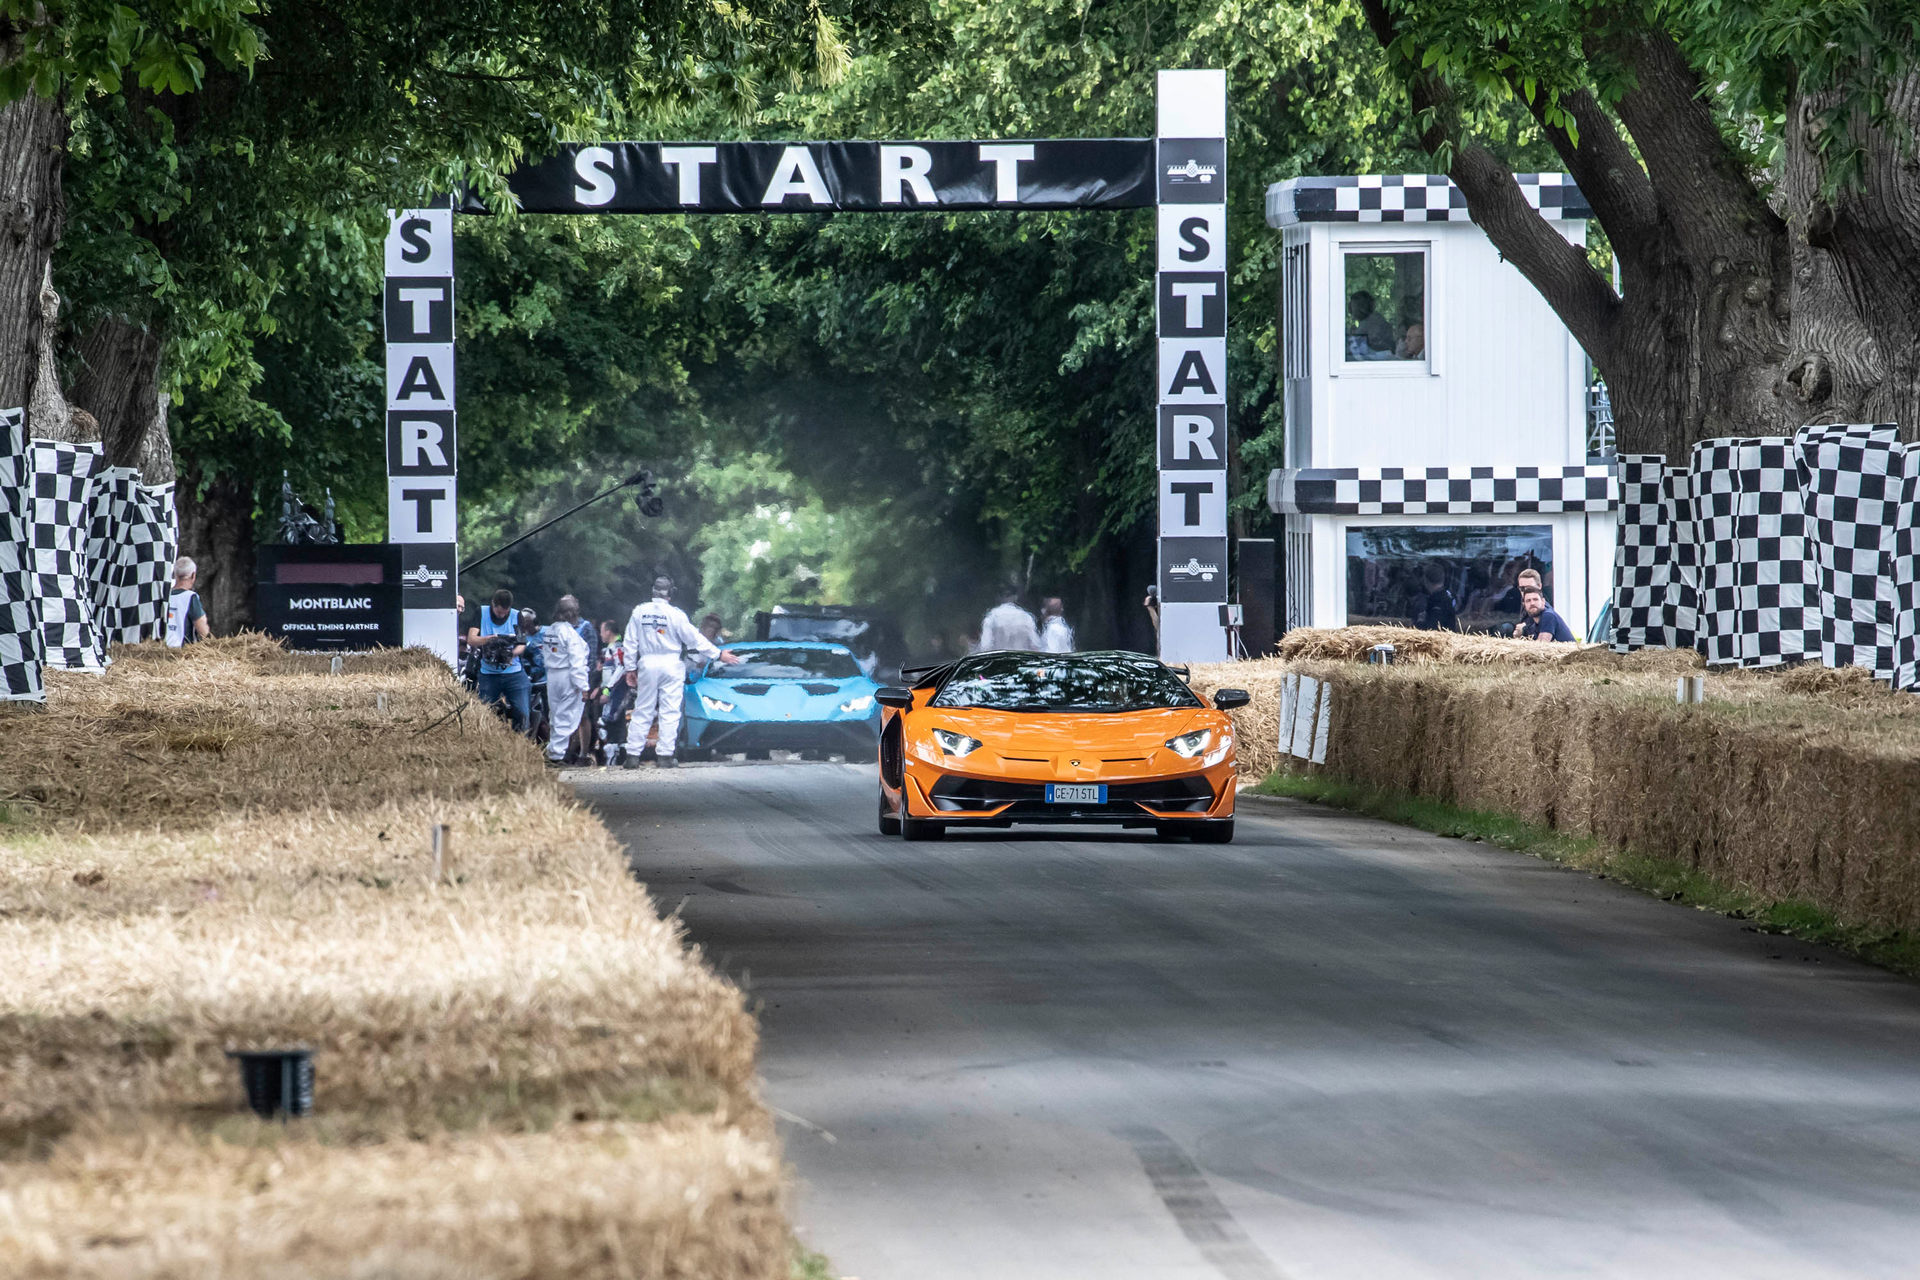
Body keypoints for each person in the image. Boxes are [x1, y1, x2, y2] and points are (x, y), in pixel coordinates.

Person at [623, 575, 740, 768]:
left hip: (647, 663)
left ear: (653, 591)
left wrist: (630, 668)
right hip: (671, 663)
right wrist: (718, 654)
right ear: (671, 593)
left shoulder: (639, 612)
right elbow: (694, 639)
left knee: (643, 709)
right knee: (670, 711)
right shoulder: (676, 614)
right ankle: (665, 756)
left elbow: (630, 641)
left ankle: (632, 756)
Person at [537, 597, 590, 767]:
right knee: (566, 715)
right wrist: (583, 686)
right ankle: (556, 755)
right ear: (573, 614)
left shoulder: (550, 631)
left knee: (555, 714)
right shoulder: (570, 634)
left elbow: (545, 654)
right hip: (568, 677)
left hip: (552, 676)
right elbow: (577, 662)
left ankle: (553, 750)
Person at [468, 589, 529, 731]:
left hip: (514, 671)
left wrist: (510, 654)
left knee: (522, 712)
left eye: (505, 612)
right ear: (493, 604)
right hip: (489, 673)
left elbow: (522, 644)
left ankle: (521, 740)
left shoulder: (516, 615)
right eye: (499, 612)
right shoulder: (481, 612)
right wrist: (489, 640)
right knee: (485, 711)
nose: (502, 615)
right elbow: (471, 639)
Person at [597, 618, 631, 766]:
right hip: (615, 691)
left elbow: (621, 668)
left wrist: (607, 690)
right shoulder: (612, 648)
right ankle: (620, 756)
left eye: (601, 631)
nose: (600, 635)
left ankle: (613, 758)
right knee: (618, 724)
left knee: (605, 721)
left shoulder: (617, 648)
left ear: (608, 631)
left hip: (617, 692)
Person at [165, 556, 211, 647]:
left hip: (162, 650)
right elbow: (202, 629)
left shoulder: (165, 596)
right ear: (193, 575)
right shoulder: (190, 597)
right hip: (182, 653)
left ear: (175, 574)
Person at [979, 586, 1042, 652]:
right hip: (1021, 659)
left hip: (999, 659)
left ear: (999, 597)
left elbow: (985, 646)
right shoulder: (1026, 617)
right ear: (1015, 597)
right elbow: (1035, 645)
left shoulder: (992, 617)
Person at [1347, 289, 1396, 358]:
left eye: (1353, 305)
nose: (1351, 309)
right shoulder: (1376, 318)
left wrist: (1353, 335)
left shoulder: (1371, 321)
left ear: (1361, 307)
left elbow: (1355, 348)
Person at [1413, 564, 1458, 632]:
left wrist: (1420, 622)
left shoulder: (1436, 600)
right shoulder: (1449, 595)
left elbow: (1433, 629)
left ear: (1425, 580)